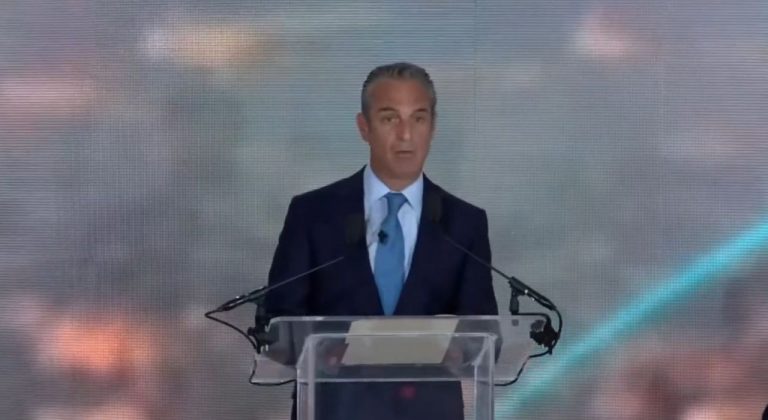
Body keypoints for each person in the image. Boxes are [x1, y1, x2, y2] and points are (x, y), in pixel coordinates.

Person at [265, 62, 498, 420]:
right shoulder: (313, 214)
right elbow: (279, 322)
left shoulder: (464, 223)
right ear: (364, 127)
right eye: (390, 119)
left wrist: (452, 349)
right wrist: (330, 351)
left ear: (433, 127)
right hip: (334, 411)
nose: (406, 135)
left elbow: (483, 334)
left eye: (418, 119)